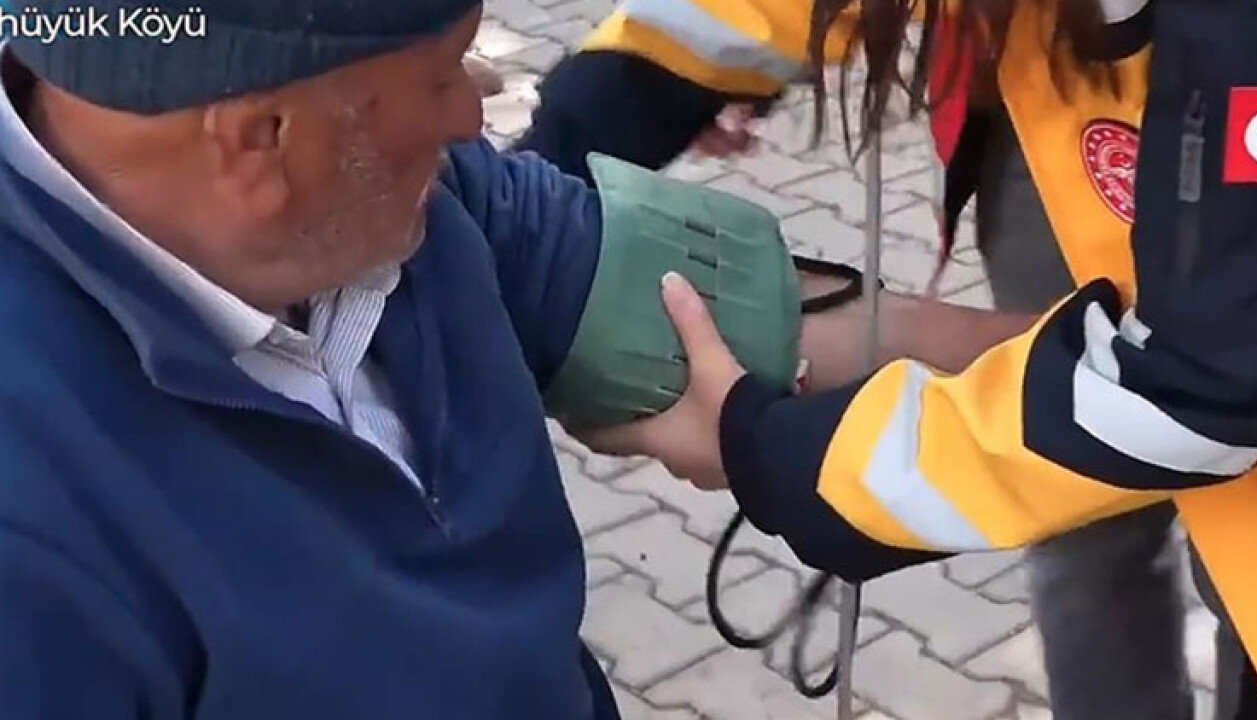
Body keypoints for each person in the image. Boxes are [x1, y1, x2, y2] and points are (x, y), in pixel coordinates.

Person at [0, 1, 880, 717]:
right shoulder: (34, 548)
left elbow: (772, 322)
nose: (474, 113)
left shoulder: (413, 201)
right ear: (262, 137)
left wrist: (977, 397)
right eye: (440, 76)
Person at [512, 1, 1225, 718]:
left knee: (1236, 525)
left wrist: (784, 453)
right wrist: (600, 123)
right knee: (1084, 513)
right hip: (1061, 97)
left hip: (1225, 136)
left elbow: (1207, 386)